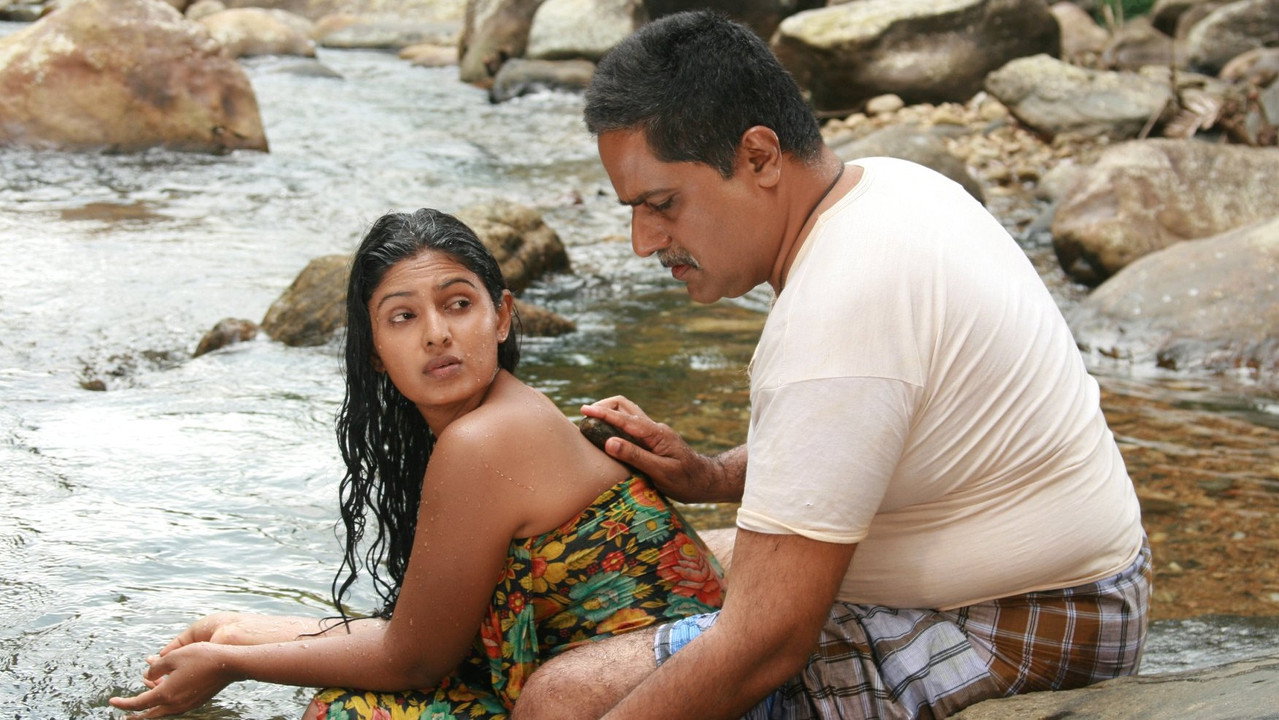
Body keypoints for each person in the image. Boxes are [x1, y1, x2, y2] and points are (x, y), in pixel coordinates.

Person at [509, 11, 1150, 720]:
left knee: (562, 697)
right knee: (636, 574)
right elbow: (871, 432)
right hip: (1078, 583)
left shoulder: (837, 307)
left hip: (1020, 625)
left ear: (760, 156)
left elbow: (766, 646)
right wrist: (713, 477)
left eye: (661, 204)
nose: (642, 241)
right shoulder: (888, 185)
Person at [108, 208, 725, 720]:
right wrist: (235, 630)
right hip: (627, 676)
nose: (436, 334)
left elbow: (414, 661)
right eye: (403, 316)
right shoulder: (497, 419)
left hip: (682, 689)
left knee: (350, 713)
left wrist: (232, 663)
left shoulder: (486, 439)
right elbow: (424, 637)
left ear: (501, 316)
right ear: (375, 350)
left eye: (457, 304)